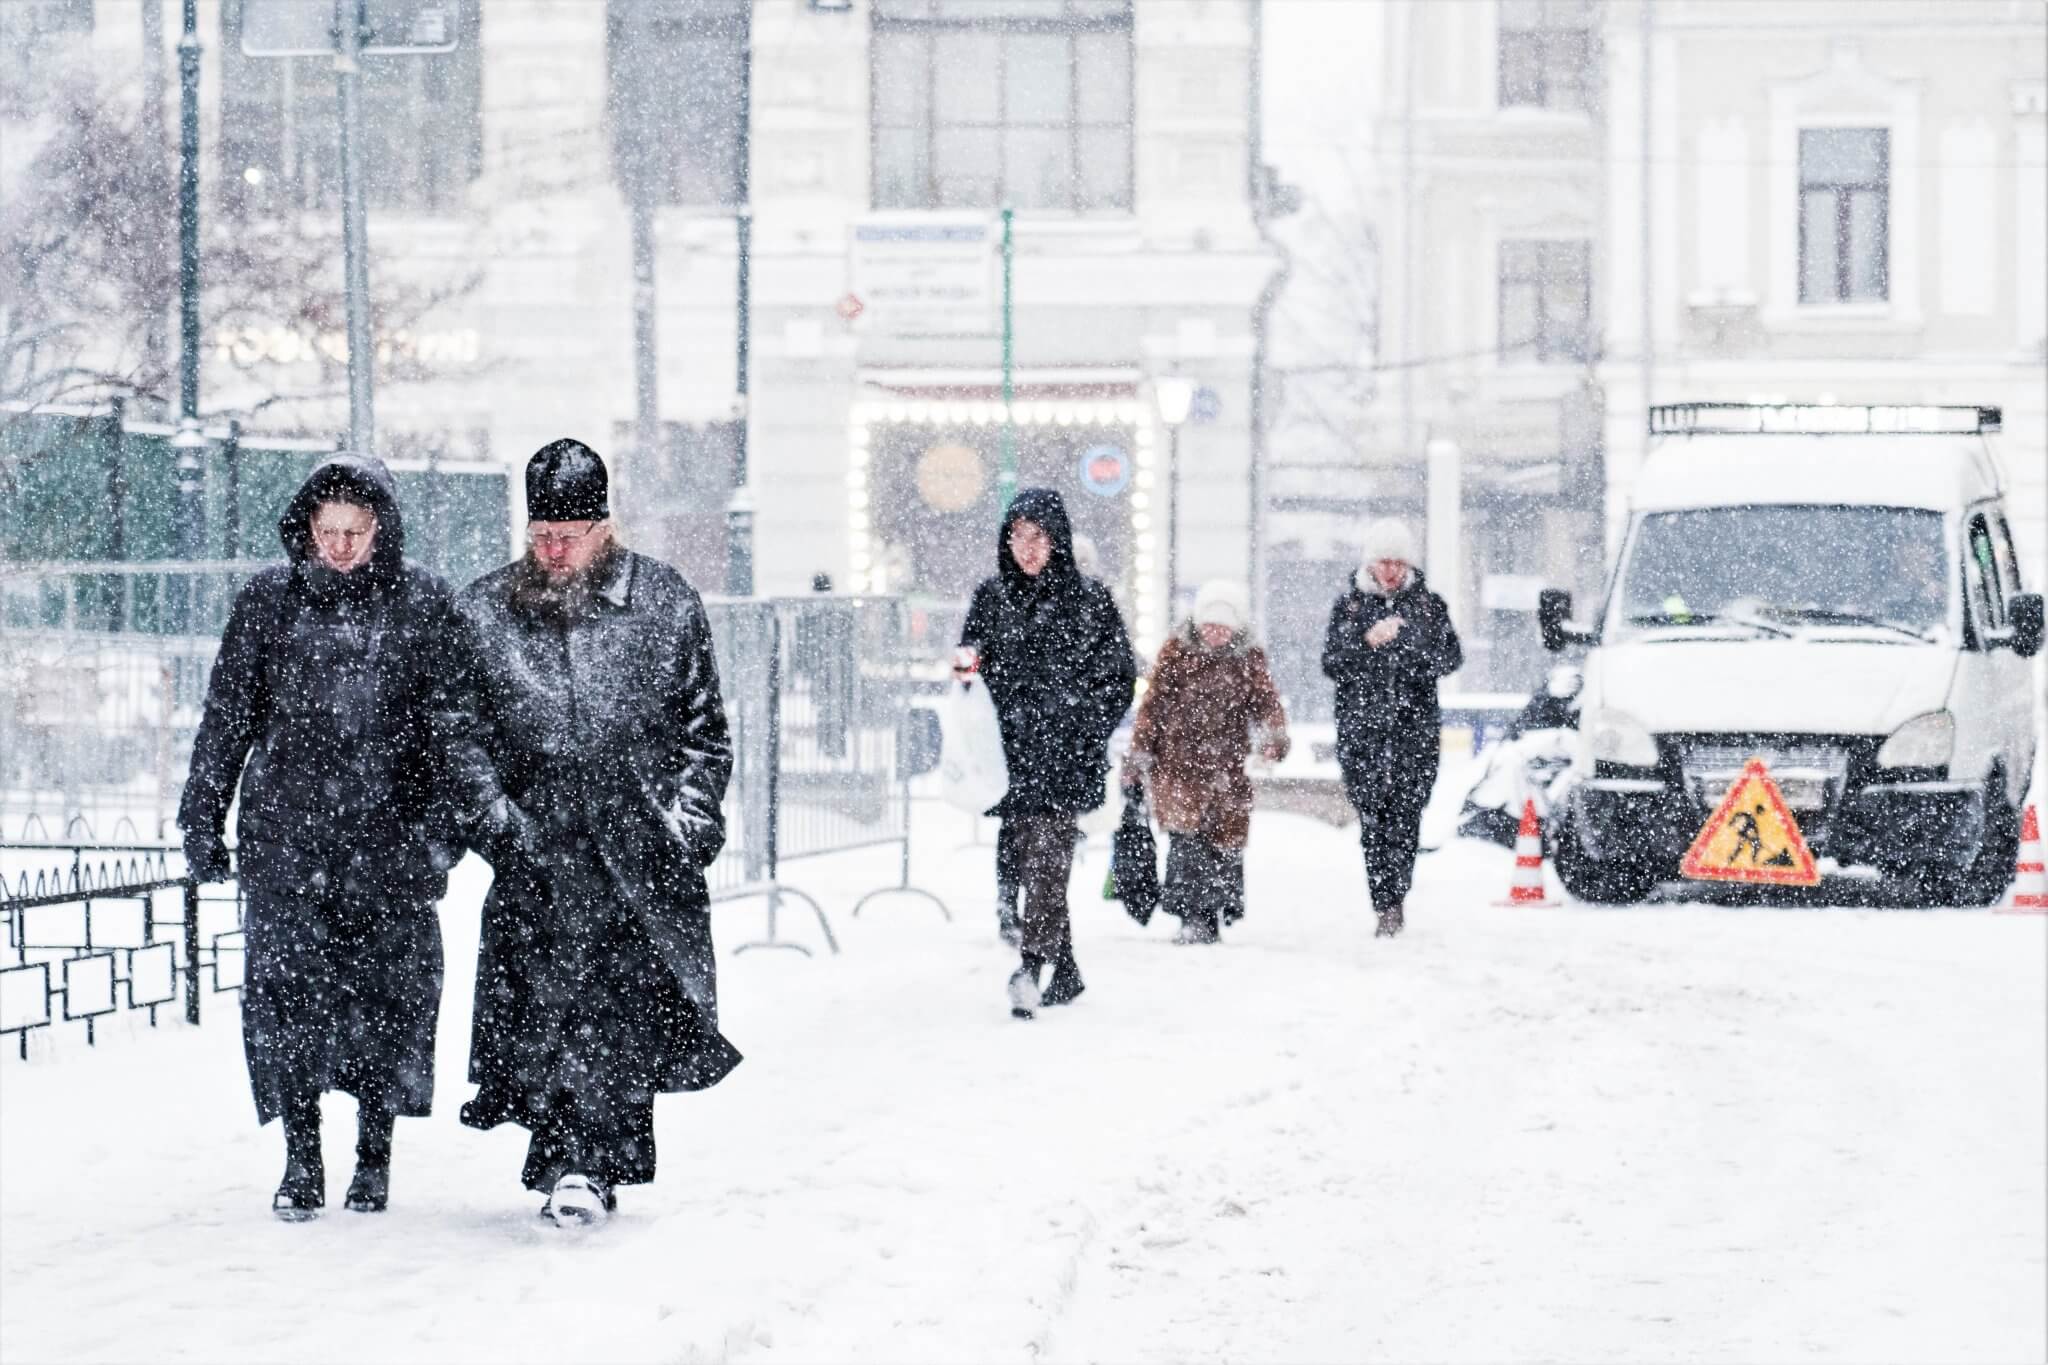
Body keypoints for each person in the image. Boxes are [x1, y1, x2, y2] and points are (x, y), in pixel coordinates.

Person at [447, 438, 743, 1227]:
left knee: (617, 1012)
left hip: (638, 850)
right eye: (541, 534)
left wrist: (688, 826)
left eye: (568, 536)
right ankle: (574, 1160)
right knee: (547, 1011)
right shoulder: (485, 612)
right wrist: (499, 824)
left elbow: (704, 731)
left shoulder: (663, 602)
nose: (552, 550)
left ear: (603, 527)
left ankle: (586, 1162)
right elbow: (457, 733)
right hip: (536, 847)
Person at [179, 454, 458, 1221]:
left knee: (388, 1003)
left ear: (382, 531)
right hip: (288, 843)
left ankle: (375, 1157)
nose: (337, 546)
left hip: (388, 846)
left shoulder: (422, 604)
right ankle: (302, 1159)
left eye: (354, 531)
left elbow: (452, 734)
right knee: (286, 1003)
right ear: (306, 528)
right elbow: (227, 718)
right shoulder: (269, 602)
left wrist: (439, 840)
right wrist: (202, 813)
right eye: (326, 530)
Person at [958, 489, 1135, 1019]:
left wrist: (1083, 723)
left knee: (1046, 862)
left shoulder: (1090, 601)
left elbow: (1119, 677)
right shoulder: (991, 599)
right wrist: (966, 670)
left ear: (1057, 540)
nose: (1027, 548)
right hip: (1009, 757)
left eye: (1038, 536)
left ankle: (1030, 968)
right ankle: (1069, 969)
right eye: (1017, 536)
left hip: (1066, 756)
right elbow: (972, 665)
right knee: (1028, 859)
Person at [1124, 579, 1289, 944]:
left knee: (1223, 843)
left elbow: (1266, 703)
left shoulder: (1248, 658)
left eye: (1223, 627)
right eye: (1209, 626)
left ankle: (1216, 911)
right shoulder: (1176, 653)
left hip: (1227, 769)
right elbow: (1153, 707)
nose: (1215, 634)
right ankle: (1192, 916)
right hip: (1178, 766)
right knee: (1186, 842)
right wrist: (1139, 755)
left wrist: (1274, 738)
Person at [1321, 517, 1463, 938]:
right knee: (1373, 818)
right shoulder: (1349, 607)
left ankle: (1395, 896)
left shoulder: (1429, 606)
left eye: (1398, 562)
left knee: (1406, 815)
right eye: (1384, 562)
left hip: (1413, 732)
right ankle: (1383, 899)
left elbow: (1450, 658)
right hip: (1362, 731)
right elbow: (1332, 662)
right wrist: (1367, 643)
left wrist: (1409, 649)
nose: (1391, 571)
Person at [991, 529, 1108, 948]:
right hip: (1031, 745)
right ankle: (1036, 936)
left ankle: (1040, 943)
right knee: (1035, 841)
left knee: (1044, 845)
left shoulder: (1089, 605)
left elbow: (1111, 671)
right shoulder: (1017, 603)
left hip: (1058, 748)